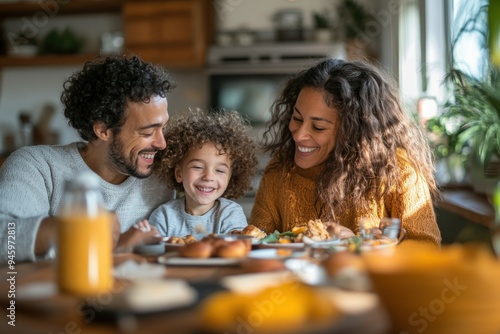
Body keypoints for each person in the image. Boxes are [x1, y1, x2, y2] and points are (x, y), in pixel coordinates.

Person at [0, 54, 176, 263]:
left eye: (163, 128)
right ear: (103, 130)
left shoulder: (163, 175)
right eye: (148, 133)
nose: (162, 143)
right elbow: (4, 239)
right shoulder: (37, 166)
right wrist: (80, 227)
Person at [249, 58, 442, 249]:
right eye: (297, 118)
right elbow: (255, 243)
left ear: (352, 132)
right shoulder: (281, 167)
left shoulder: (398, 172)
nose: (299, 135)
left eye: (318, 127)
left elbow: (427, 250)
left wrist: (356, 246)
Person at [148, 108, 258, 240]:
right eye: (198, 167)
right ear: (179, 173)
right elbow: (153, 253)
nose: (208, 177)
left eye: (220, 170)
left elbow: (238, 249)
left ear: (230, 178)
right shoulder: (164, 216)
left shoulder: (230, 213)